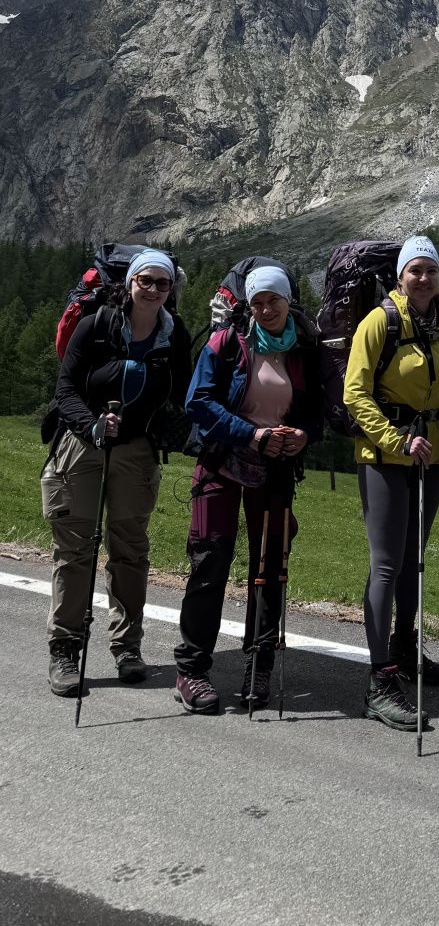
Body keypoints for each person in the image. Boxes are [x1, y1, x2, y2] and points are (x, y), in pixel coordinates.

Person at [173, 264, 324, 714]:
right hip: (221, 461)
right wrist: (251, 435)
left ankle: (259, 664)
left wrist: (305, 434)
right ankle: (191, 670)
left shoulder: (305, 346)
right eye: (257, 302)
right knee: (210, 560)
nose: (266, 309)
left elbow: (318, 408)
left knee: (269, 567)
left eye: (274, 300)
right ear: (248, 305)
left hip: (275, 468)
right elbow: (197, 401)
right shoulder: (227, 342)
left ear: (288, 301)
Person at [42, 248, 192, 696]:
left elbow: (185, 393)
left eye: (162, 283)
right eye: (145, 280)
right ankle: (65, 648)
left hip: (136, 452)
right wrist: (91, 424)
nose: (153, 289)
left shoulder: (175, 334)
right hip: (81, 446)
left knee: (130, 551)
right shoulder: (96, 325)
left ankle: (127, 647)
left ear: (170, 289)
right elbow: (65, 389)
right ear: (130, 283)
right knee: (75, 550)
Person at [343, 236, 439, 731]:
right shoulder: (379, 321)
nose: (423, 278)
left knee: (413, 558)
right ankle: (379, 682)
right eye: (415, 270)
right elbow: (354, 393)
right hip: (384, 456)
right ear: (400, 276)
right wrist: (396, 440)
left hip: (432, 455)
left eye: (430, 270)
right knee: (386, 563)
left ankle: (403, 647)